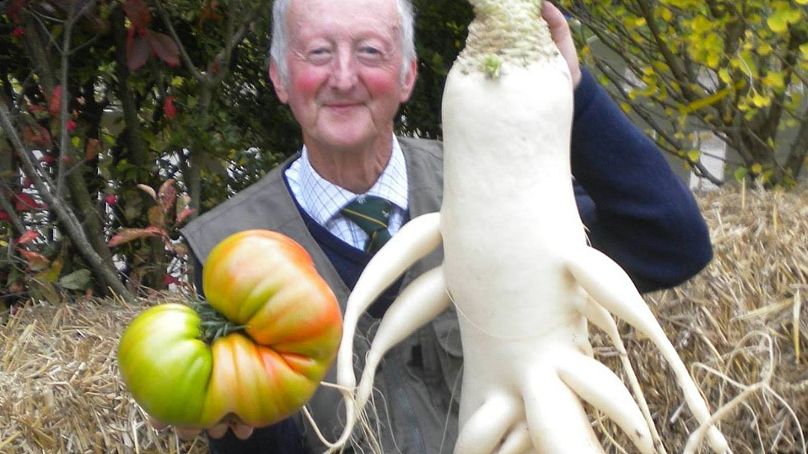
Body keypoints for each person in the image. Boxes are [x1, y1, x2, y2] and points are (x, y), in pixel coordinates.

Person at [177, 0, 714, 452]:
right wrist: (219, 416)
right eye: (318, 52)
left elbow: (670, 243)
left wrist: (570, 87)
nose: (343, 77)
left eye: (370, 51)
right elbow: (256, 428)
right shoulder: (227, 248)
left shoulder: (499, 179)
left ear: (408, 76)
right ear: (279, 77)